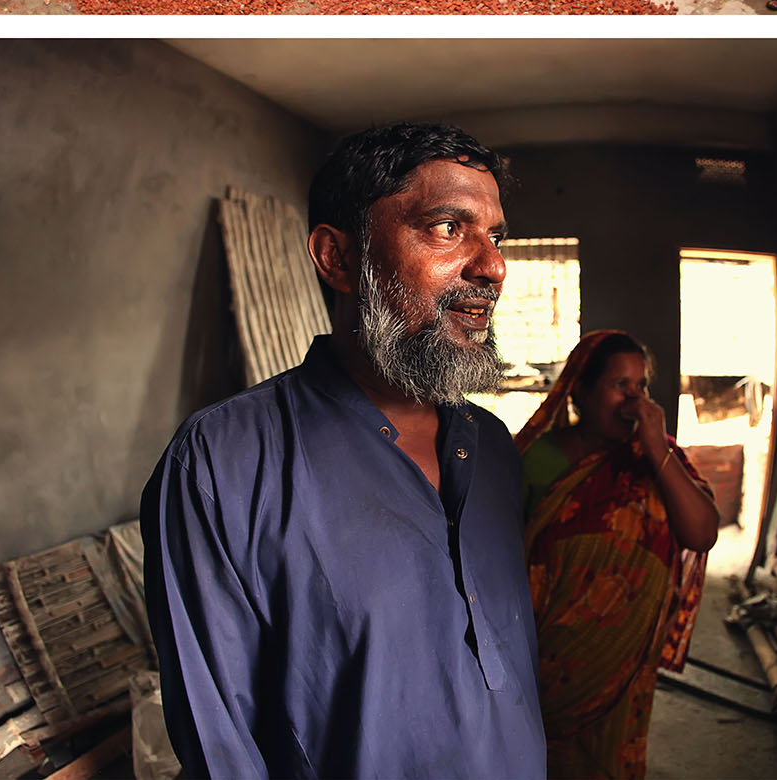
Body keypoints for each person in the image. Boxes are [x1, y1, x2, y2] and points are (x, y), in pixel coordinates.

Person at [142, 122, 546, 780]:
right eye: (448, 226)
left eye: (494, 236)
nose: (493, 267)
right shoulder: (221, 463)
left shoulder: (493, 448)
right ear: (337, 258)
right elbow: (223, 754)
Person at [517, 330, 718, 780]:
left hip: (620, 667)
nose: (634, 400)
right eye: (619, 385)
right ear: (581, 392)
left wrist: (657, 451)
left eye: (641, 387)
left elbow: (701, 534)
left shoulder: (658, 460)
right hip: (546, 656)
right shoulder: (542, 459)